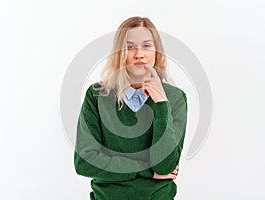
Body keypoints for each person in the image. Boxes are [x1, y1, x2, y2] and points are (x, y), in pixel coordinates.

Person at [74, 16, 188, 200]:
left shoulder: (175, 98)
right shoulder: (96, 95)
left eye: (146, 45)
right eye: (130, 47)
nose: (139, 54)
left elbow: (165, 167)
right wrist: (145, 169)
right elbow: (84, 163)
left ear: (157, 50)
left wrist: (160, 102)